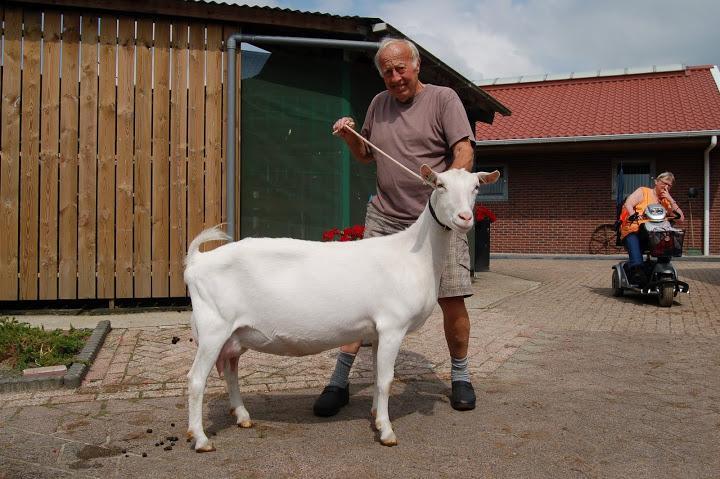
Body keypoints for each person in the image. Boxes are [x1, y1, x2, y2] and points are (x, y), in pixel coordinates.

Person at [313, 37, 477, 417]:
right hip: (386, 217)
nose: (394, 76)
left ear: (416, 66)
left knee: (451, 297)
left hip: (437, 221)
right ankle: (340, 381)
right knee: (360, 299)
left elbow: (464, 149)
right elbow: (367, 154)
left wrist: (451, 179)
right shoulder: (378, 104)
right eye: (387, 71)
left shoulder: (443, 99)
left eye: (400, 67)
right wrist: (348, 136)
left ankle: (461, 376)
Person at [619, 172, 685, 283]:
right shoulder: (643, 191)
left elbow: (681, 219)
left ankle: (663, 266)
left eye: (669, 185)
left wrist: (670, 199)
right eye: (664, 183)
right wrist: (633, 215)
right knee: (633, 237)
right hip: (635, 229)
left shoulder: (665, 201)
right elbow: (628, 203)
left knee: (668, 239)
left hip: (655, 233)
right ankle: (636, 268)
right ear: (656, 182)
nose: (666, 187)